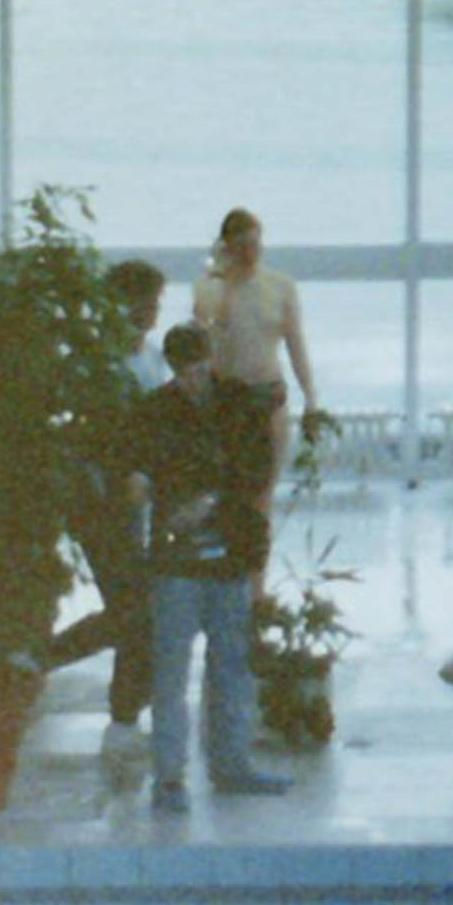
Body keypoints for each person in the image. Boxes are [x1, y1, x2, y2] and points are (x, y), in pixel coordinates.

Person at [123, 323, 292, 811]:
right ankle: (169, 778)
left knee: (231, 665)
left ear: (210, 359)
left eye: (198, 369)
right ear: (172, 369)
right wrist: (141, 483)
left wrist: (210, 504)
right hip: (178, 560)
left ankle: (230, 763)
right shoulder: (154, 411)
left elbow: (257, 470)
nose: (192, 380)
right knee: (171, 670)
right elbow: (136, 464)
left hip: (229, 554)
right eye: (182, 372)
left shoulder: (238, 403)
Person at [42, 257, 165, 763]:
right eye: (144, 303)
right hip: (103, 501)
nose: (153, 312)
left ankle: (120, 710)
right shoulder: (101, 366)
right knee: (137, 610)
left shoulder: (153, 359)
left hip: (138, 503)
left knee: (135, 610)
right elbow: (94, 439)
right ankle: (116, 710)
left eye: (156, 302)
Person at [192, 209, 320, 530]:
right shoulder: (212, 287)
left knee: (262, 496)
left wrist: (310, 397)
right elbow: (201, 331)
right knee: (229, 492)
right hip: (227, 398)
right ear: (226, 247)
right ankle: (232, 572)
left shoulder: (281, 287)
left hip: (268, 395)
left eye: (255, 243)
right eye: (241, 245)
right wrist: (219, 272)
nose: (250, 252)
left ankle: (256, 578)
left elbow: (295, 344)